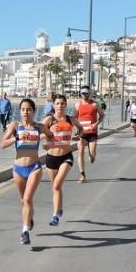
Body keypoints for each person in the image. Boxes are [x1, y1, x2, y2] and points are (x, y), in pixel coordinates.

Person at [1, 98, 54, 245]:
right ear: (20, 111)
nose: (25, 112)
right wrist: (16, 138)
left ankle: (24, 231)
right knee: (23, 200)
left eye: (28, 109)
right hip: (18, 169)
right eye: (23, 109)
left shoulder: (40, 127)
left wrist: (48, 145)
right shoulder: (15, 125)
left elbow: (51, 136)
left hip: (34, 168)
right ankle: (29, 218)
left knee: (27, 199)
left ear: (33, 111)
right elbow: (2, 144)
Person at [42, 94, 82, 226]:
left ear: (66, 105)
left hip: (66, 156)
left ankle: (54, 216)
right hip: (51, 158)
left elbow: (81, 128)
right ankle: (59, 208)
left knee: (57, 185)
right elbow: (40, 132)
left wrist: (78, 135)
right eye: (57, 103)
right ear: (53, 105)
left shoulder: (71, 119)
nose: (60, 106)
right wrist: (47, 138)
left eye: (62, 103)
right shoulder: (49, 119)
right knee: (56, 188)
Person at [75, 86, 105, 183]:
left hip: (92, 132)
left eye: (86, 93)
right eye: (83, 93)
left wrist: (96, 124)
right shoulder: (77, 105)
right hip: (82, 132)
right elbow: (75, 119)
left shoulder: (95, 104)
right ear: (80, 94)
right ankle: (82, 175)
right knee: (80, 152)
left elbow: (102, 115)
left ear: (90, 93)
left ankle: (92, 155)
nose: (84, 95)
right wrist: (76, 130)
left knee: (91, 154)